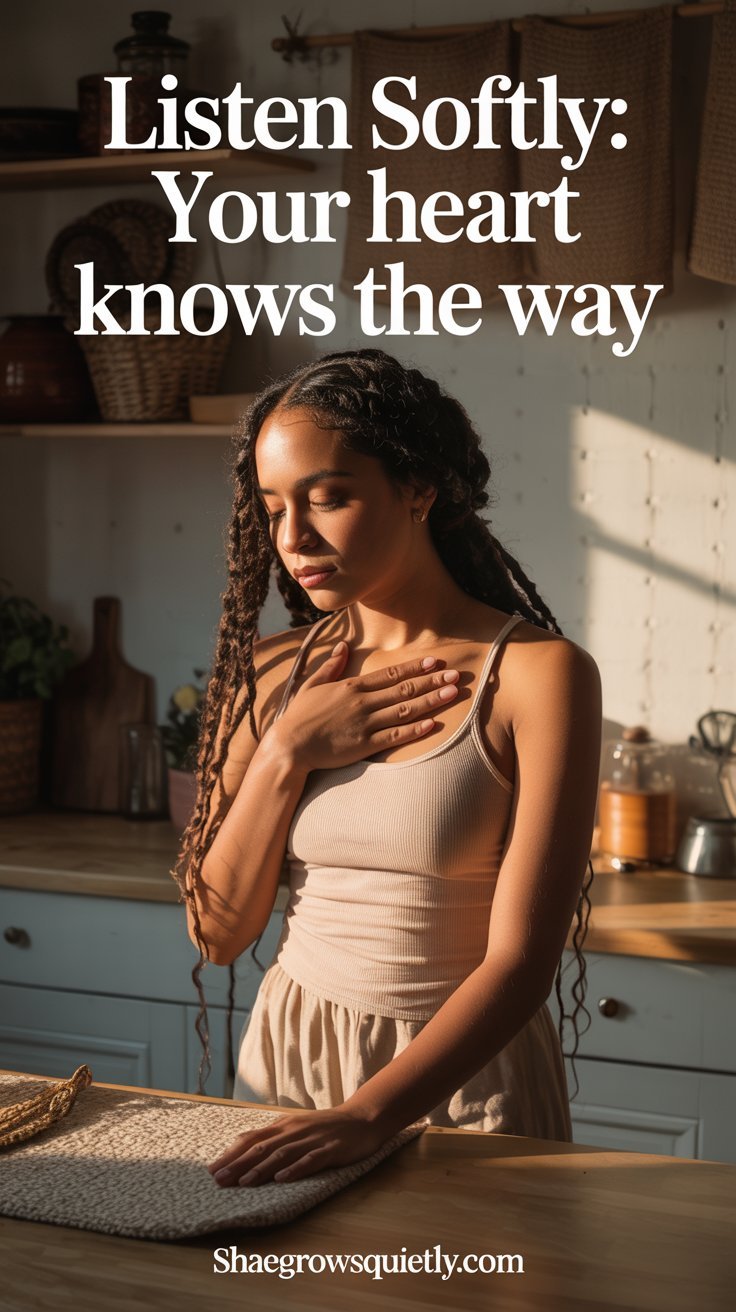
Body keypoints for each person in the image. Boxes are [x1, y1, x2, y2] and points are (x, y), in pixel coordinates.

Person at [170, 348, 602, 1191]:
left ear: (419, 488)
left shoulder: (538, 674)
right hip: (287, 1061)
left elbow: (523, 963)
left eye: (328, 497)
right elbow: (218, 934)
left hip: (461, 1082)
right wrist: (290, 749)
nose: (293, 538)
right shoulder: (270, 673)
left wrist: (371, 1113)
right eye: (272, 506)